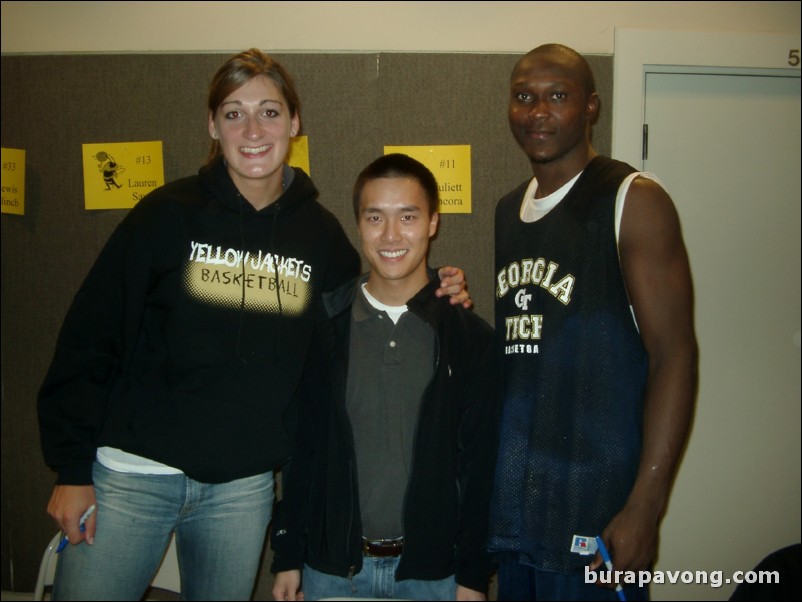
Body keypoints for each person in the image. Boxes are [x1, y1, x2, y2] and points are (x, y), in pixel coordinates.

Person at [37, 49, 469, 601]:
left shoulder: (318, 234)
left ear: (294, 122)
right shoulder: (166, 214)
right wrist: (72, 467)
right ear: (212, 125)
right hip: (132, 475)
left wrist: (438, 293)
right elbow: (90, 337)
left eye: (269, 111)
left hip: (241, 491)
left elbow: (368, 302)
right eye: (234, 112)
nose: (252, 128)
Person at [488, 44, 698, 601]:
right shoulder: (507, 211)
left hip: (598, 509)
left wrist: (646, 506)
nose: (538, 112)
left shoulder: (633, 199)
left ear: (591, 107)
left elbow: (675, 355)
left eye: (558, 96)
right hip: (518, 510)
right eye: (524, 97)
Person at [271, 153, 500, 601]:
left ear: (433, 222)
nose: (391, 235)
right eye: (375, 217)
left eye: (408, 217)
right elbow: (303, 450)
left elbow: (481, 467)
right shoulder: (322, 326)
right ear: (358, 224)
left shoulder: (469, 339)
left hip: (434, 575)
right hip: (332, 569)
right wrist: (287, 555)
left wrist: (474, 575)